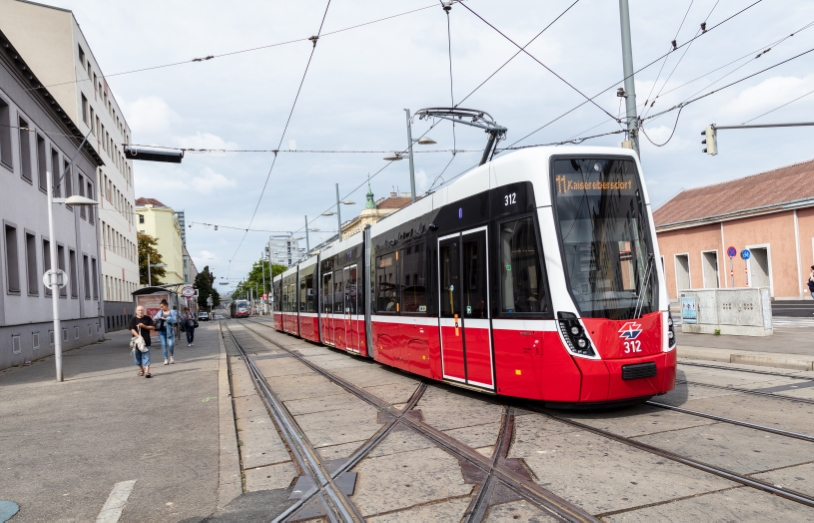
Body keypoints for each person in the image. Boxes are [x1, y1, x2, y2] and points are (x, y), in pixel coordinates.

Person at [129, 306, 155, 378]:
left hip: (146, 341)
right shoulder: (133, 319)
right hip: (137, 342)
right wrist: (138, 336)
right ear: (136, 311)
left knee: (146, 357)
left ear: (144, 311)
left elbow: (153, 327)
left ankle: (147, 372)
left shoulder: (148, 318)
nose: (140, 311)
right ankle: (141, 370)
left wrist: (144, 326)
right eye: (139, 310)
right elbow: (132, 329)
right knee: (137, 358)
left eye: (142, 310)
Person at [154, 299, 178, 365]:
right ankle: (165, 358)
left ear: (166, 305)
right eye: (160, 307)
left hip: (169, 331)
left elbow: (174, 320)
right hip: (162, 331)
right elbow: (154, 318)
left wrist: (166, 319)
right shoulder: (160, 312)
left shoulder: (172, 312)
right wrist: (155, 318)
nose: (161, 308)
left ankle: (171, 356)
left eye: (162, 306)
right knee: (164, 345)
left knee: (171, 344)